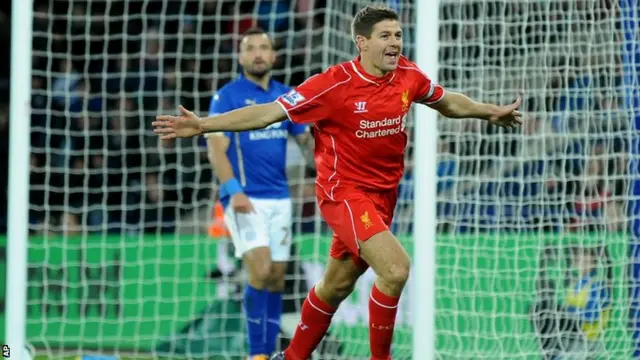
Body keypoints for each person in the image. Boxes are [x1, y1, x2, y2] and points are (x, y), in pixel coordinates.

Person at [153, 6, 522, 360]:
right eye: (384, 36)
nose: (395, 42)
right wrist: (203, 124)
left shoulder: (407, 75)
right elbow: (267, 113)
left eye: (398, 35)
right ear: (362, 43)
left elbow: (446, 101)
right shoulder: (332, 84)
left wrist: (490, 112)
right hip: (343, 195)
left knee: (336, 286)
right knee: (395, 270)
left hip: (383, 197)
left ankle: (292, 356)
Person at [203, 27, 313, 360]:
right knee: (261, 271)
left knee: (278, 279)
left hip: (280, 198)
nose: (258, 53)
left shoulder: (286, 96)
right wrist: (233, 190)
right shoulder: (227, 97)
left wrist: (324, 166)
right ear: (240, 56)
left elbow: (306, 143)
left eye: (264, 47)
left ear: (274, 55)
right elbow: (216, 150)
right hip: (244, 199)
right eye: (250, 48)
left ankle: (270, 352)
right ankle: (258, 354)